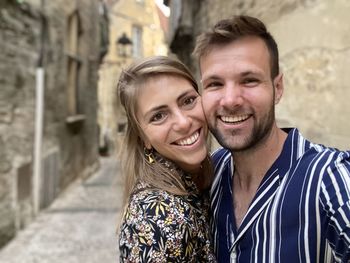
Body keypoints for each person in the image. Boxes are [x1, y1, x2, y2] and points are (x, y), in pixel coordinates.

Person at [193, 15, 350, 262]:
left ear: (277, 88)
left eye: (249, 80)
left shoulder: (329, 178)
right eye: (215, 84)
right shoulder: (210, 172)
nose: (231, 99)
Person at [117, 56, 216, 262]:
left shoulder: (207, 176)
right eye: (159, 116)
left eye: (188, 101)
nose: (183, 122)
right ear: (143, 138)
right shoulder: (157, 217)